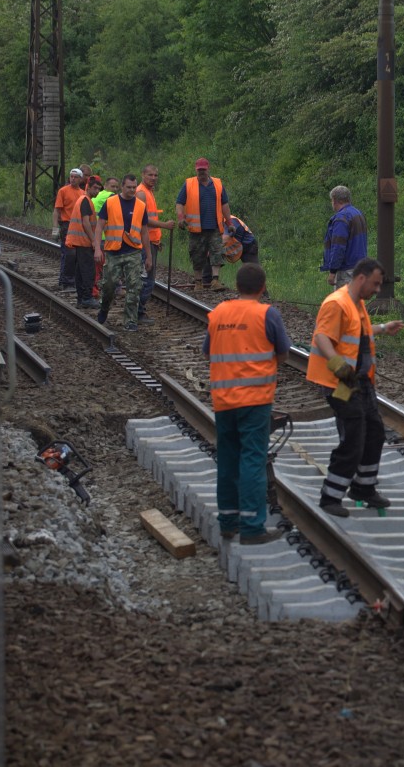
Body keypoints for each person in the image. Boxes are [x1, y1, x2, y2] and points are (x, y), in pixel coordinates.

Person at [306, 257, 404, 517]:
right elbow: (322, 337)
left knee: (375, 432)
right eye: (375, 283)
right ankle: (331, 496)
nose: (377, 290)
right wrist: (339, 366)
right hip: (341, 383)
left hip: (360, 381)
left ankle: (364, 488)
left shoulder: (356, 303)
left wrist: (383, 327)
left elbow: (358, 333)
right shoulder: (336, 303)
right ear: (361, 278)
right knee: (354, 436)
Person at [204, 263, 292, 545]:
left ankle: (228, 522)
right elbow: (283, 353)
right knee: (253, 459)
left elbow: (209, 350)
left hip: (223, 400)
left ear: (237, 286)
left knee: (228, 458)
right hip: (254, 400)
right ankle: (253, 526)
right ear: (262, 288)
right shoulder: (267, 314)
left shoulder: (218, 313)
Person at [94, 174, 151, 331]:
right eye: (129, 187)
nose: (132, 190)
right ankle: (104, 308)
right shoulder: (110, 203)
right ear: (122, 187)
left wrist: (149, 256)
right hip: (113, 252)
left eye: (134, 187)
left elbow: (145, 232)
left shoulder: (140, 206)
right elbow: (99, 227)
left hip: (133, 252)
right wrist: (97, 248)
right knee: (109, 286)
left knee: (134, 286)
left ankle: (130, 320)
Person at [175, 157, 231, 291]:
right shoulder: (189, 184)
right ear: (196, 170)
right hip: (196, 228)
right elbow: (179, 203)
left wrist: (229, 222)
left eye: (203, 170)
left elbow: (225, 205)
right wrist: (181, 218)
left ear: (208, 169)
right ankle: (198, 282)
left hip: (215, 227)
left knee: (217, 253)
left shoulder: (217, 184)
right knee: (197, 255)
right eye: (199, 170)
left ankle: (215, 281)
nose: (201, 173)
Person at [137, 164, 177, 323]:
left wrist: (157, 240)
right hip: (143, 243)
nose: (153, 178)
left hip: (151, 241)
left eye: (155, 175)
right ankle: (138, 312)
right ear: (143, 175)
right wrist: (164, 225)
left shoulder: (149, 192)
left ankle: (138, 310)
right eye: (150, 175)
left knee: (147, 279)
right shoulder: (141, 193)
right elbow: (143, 221)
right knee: (146, 280)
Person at [62, 175, 102, 309]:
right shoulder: (85, 200)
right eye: (95, 188)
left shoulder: (83, 200)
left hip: (79, 241)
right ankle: (87, 297)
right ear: (88, 187)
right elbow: (86, 223)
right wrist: (94, 241)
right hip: (84, 242)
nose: (97, 191)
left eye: (98, 189)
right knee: (88, 271)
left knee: (80, 271)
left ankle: (81, 298)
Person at [320, 186, 368, 288]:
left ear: (335, 200)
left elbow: (338, 247)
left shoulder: (341, 218)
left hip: (347, 271)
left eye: (332, 200)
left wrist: (333, 271)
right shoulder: (358, 214)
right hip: (361, 268)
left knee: (344, 303)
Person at [52, 167, 85, 288]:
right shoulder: (63, 191)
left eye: (76, 177)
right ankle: (65, 281)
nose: (73, 179)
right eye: (71, 176)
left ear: (80, 179)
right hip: (67, 225)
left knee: (77, 255)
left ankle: (73, 280)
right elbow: (57, 210)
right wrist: (55, 229)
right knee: (69, 254)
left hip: (80, 227)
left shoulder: (83, 193)